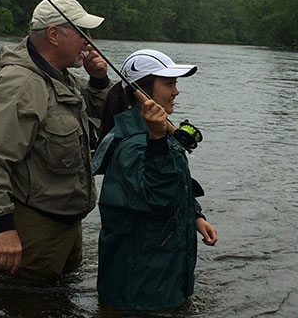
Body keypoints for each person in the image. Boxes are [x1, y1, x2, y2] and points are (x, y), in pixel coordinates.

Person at [0, 0, 110, 281]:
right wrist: (5, 229)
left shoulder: (63, 78)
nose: (89, 42)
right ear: (54, 35)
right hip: (30, 231)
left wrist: (98, 81)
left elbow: (105, 117)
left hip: (66, 228)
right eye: (83, 33)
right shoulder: (19, 84)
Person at [92, 49, 218, 311]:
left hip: (162, 280)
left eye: (175, 83)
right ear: (144, 92)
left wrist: (195, 215)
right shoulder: (134, 145)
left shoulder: (154, 135)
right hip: (141, 290)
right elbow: (156, 198)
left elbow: (175, 184)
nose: (176, 91)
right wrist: (158, 141)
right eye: (169, 83)